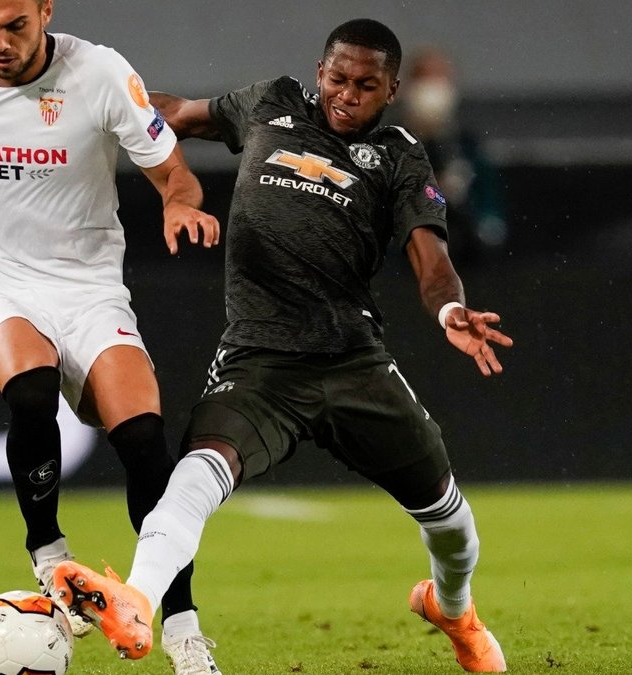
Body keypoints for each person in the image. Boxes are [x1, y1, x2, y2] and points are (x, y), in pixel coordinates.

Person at [52, 18, 512, 673]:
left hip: (354, 362)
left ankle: (453, 608)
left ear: (392, 91)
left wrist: (450, 310)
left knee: (450, 520)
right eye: (337, 78)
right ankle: (137, 600)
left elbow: (431, 258)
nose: (347, 94)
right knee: (197, 471)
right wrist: (92, 98)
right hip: (259, 360)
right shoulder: (271, 102)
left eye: (366, 85)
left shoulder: (399, 155)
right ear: (320, 71)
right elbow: (173, 114)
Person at [0, 1, 223, 672]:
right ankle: (50, 554)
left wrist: (177, 202)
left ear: (45, 10)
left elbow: (173, 168)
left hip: (90, 291)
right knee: (31, 386)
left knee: (143, 438)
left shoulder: (101, 74)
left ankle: (182, 628)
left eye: (14, 25)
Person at [395, 45, 508, 263]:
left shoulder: (466, 145)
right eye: (425, 79)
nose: (433, 89)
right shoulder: (388, 141)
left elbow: (490, 211)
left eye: (440, 80)